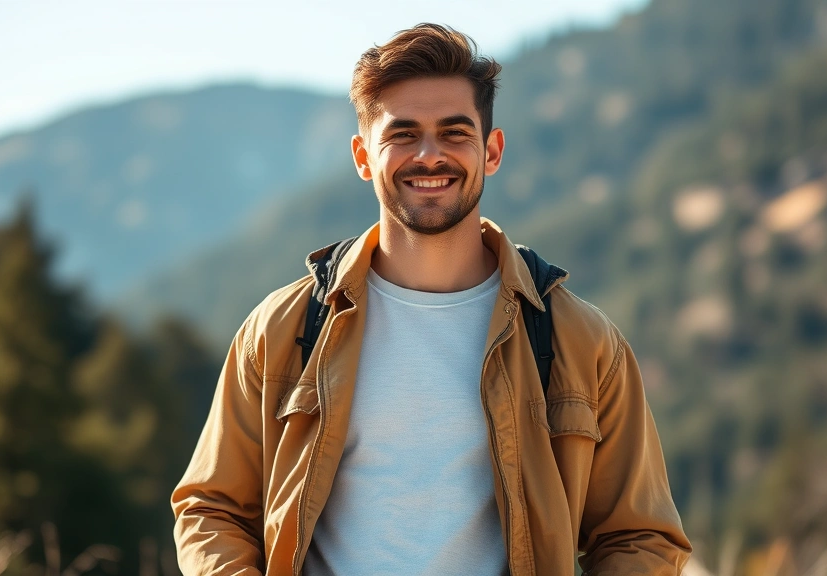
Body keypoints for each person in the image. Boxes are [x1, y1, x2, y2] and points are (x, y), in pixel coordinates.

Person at [172, 23, 691, 576]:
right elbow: (211, 509)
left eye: (454, 132)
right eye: (402, 134)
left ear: (491, 150)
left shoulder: (579, 340)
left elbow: (640, 536)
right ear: (363, 156)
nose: (429, 155)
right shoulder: (283, 329)